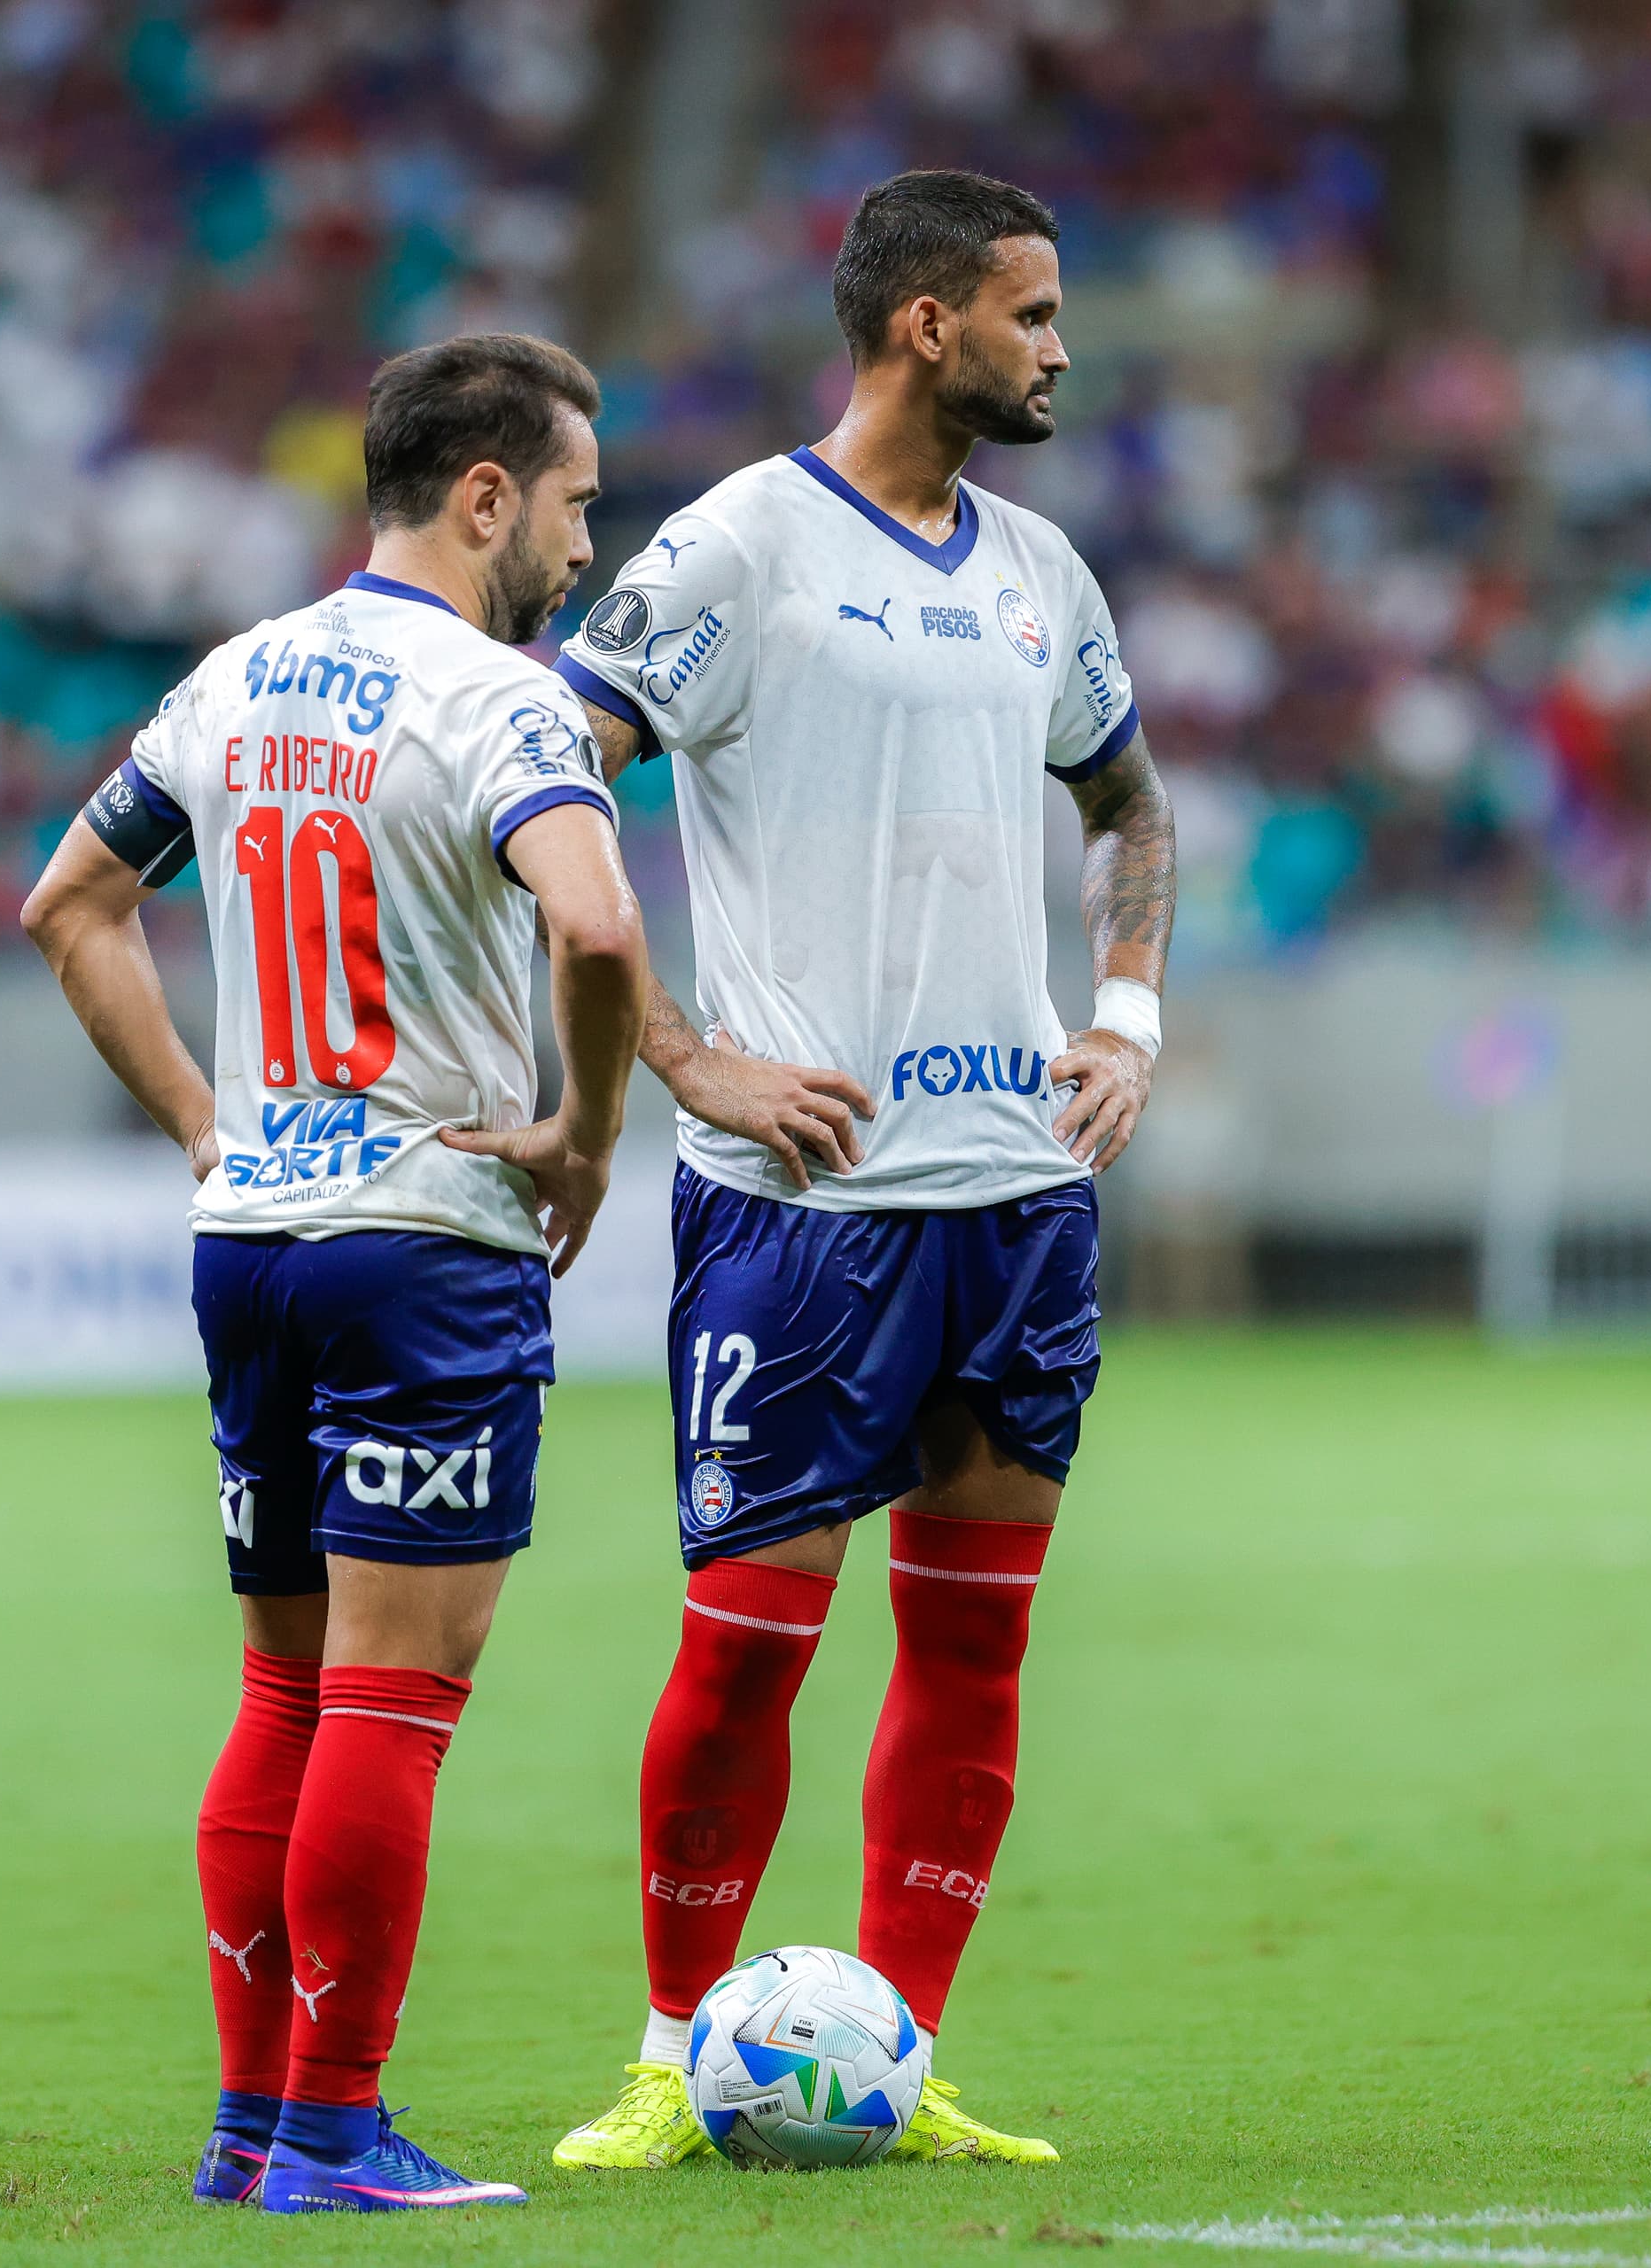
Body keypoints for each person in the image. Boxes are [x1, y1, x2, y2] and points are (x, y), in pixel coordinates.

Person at [546, 170, 1179, 2171]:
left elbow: (1135, 808)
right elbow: (543, 774)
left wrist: (1132, 1010)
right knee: (744, 1655)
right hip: (807, 1210)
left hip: (1017, 1192)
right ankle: (668, 2053)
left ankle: (897, 2056)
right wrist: (683, 1051)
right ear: (924, 324)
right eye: (1033, 313)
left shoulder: (1044, 573)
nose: (1061, 347)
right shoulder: (738, 543)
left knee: (974, 1647)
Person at [21, 333, 648, 2215]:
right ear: (484, 497)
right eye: (575, 502)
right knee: (393, 1698)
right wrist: (589, 1132)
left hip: (253, 1248)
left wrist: (214, 1127)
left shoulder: (231, 679)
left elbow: (71, 902)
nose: (585, 543)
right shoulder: (499, 696)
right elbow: (601, 920)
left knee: (284, 1688)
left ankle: (247, 2116)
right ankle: (335, 2125)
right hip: (422, 1239)